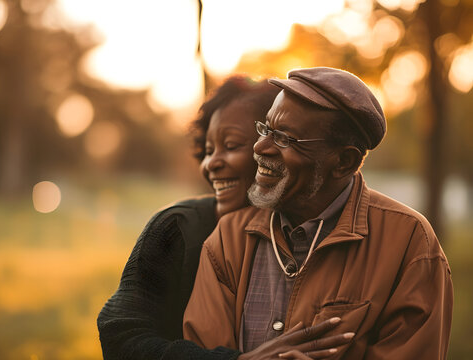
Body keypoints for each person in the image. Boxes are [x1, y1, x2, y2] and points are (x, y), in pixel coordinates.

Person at [183, 67, 454, 359]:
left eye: (284, 138)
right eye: (266, 129)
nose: (260, 147)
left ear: (343, 162)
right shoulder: (229, 238)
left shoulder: (410, 245)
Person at [97, 75, 355, 360]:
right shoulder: (175, 228)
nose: (212, 163)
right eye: (208, 151)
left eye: (231, 146)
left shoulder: (316, 234)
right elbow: (119, 335)